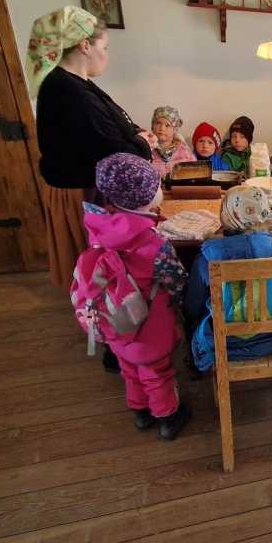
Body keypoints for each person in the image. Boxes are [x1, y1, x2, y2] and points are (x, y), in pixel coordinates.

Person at [29, 5, 151, 291]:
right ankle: (101, 312)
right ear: (85, 45)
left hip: (90, 187)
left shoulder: (77, 83)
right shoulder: (66, 90)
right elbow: (113, 151)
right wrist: (143, 143)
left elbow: (113, 123)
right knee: (95, 274)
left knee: (101, 274)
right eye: (104, 47)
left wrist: (136, 134)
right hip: (81, 193)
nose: (107, 55)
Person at [72, 153, 190, 440]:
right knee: (156, 373)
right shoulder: (154, 242)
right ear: (145, 198)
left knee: (129, 368)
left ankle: (140, 412)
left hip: (114, 322)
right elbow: (176, 281)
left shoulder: (99, 226)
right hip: (149, 325)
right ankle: (168, 417)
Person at [183, 186, 272, 372]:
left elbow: (192, 307)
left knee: (193, 320)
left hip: (224, 343)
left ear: (225, 216)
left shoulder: (207, 258)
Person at [146, 106, 195, 179]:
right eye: (158, 123)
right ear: (152, 126)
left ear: (174, 129)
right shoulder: (145, 149)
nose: (162, 128)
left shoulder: (185, 152)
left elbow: (193, 175)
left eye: (167, 125)